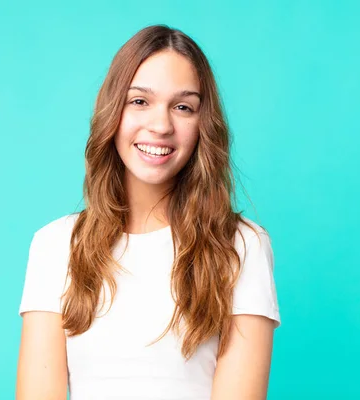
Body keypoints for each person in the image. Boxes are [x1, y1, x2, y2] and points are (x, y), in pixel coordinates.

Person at [16, 24, 281, 400]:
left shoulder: (241, 245)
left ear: (202, 126)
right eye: (139, 101)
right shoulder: (55, 245)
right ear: (112, 112)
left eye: (183, 107)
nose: (161, 125)